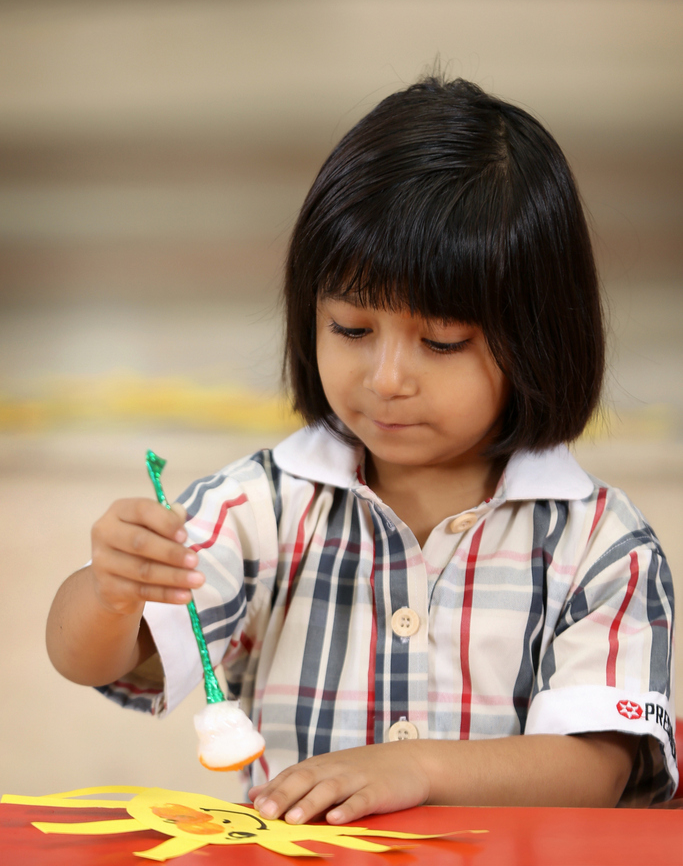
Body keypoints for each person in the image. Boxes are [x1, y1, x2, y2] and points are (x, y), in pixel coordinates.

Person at [47, 76, 676, 820]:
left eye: (440, 342)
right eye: (350, 329)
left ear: (540, 340)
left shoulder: (601, 544)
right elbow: (93, 658)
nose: (385, 379)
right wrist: (110, 595)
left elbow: (592, 772)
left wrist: (413, 768)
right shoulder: (260, 507)